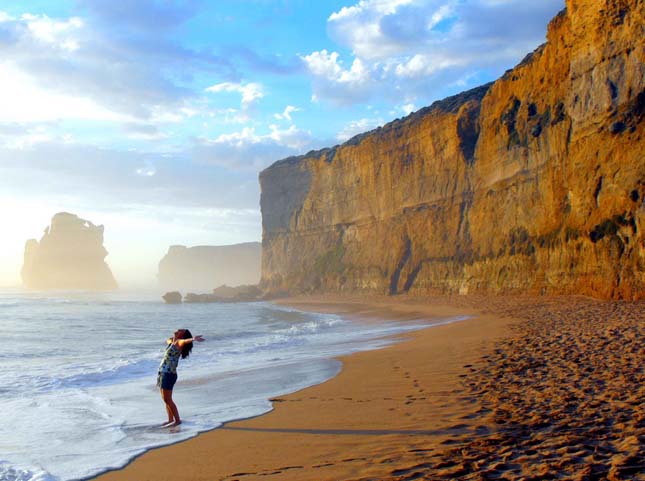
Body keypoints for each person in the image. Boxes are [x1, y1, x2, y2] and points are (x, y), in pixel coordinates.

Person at [157, 328, 204, 427]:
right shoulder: (173, 342)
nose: (178, 329)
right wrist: (173, 338)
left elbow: (184, 341)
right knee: (165, 399)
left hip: (168, 374)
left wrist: (192, 339)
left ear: (182, 335)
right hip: (163, 373)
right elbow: (168, 340)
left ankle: (177, 420)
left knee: (168, 399)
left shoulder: (179, 342)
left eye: (181, 330)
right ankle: (170, 419)